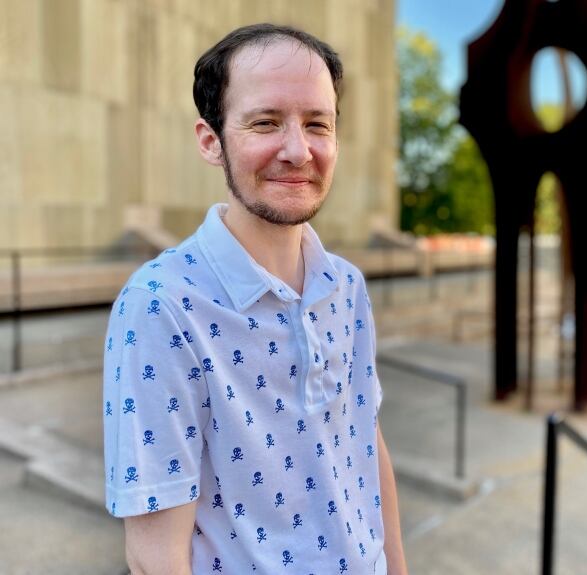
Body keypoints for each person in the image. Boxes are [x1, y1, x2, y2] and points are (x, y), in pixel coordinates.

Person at [102, 23, 408, 575]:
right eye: (266, 122)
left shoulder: (347, 287)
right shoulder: (160, 306)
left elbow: (365, 441)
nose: (298, 150)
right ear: (210, 140)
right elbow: (155, 558)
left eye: (318, 124)